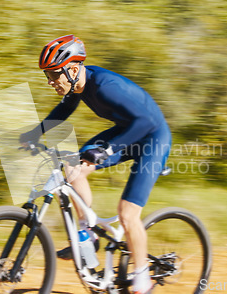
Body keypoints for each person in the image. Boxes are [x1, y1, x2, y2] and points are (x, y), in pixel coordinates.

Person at [20, 35, 171, 294]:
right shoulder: (77, 86)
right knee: (72, 168)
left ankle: (142, 274)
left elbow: (146, 123)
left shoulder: (104, 86)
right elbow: (63, 111)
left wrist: (108, 149)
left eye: (55, 74)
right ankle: (87, 234)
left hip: (153, 137)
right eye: (47, 75)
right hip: (126, 131)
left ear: (73, 69)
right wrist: (35, 133)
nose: (51, 81)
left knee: (127, 213)